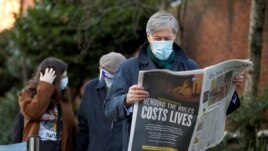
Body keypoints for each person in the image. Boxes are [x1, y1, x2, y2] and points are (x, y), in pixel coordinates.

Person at [104, 10, 244, 151]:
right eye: (157, 38)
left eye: (167, 38)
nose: (162, 43)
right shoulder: (129, 67)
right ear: (148, 36)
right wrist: (127, 99)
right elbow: (109, 108)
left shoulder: (190, 66)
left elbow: (207, 108)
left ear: (174, 37)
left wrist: (229, 88)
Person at [18, 57, 77, 151]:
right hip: (38, 146)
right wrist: (45, 85)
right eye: (63, 77)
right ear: (55, 79)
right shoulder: (28, 93)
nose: (66, 79)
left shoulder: (64, 95)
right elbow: (33, 113)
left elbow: (71, 127)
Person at [76, 52, 126, 151]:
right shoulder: (91, 88)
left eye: (116, 77)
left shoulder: (131, 90)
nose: (112, 80)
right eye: (107, 75)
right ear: (100, 71)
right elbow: (83, 126)